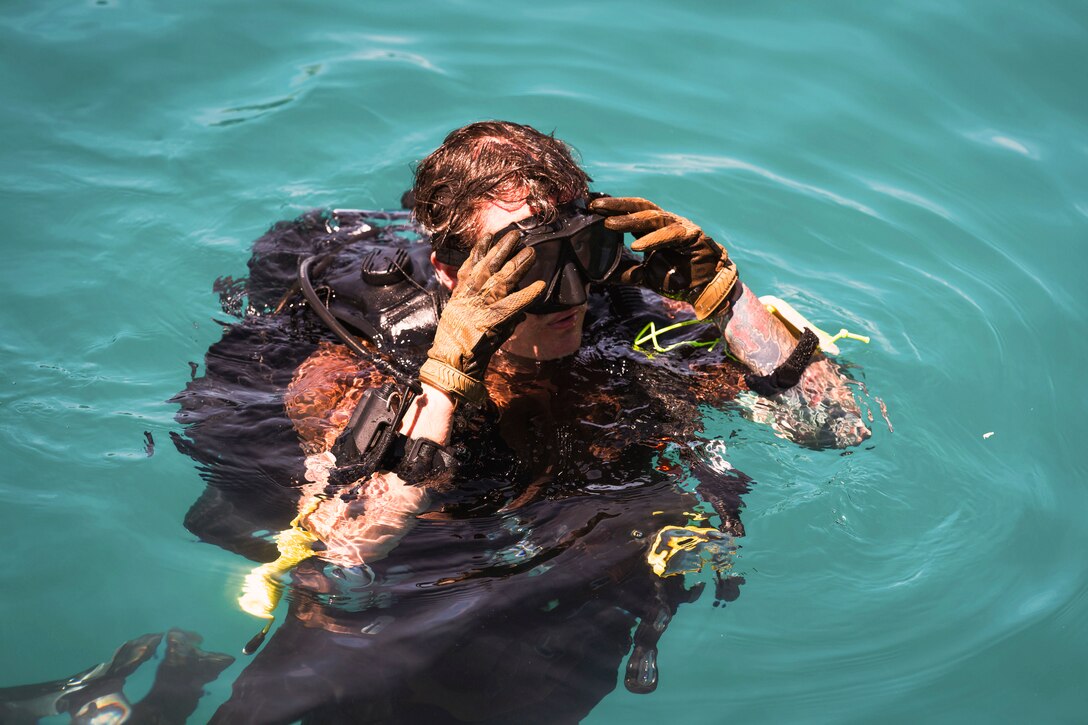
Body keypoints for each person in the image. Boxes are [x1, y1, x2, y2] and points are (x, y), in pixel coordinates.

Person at [174, 120, 871, 722]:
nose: (567, 290)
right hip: (417, 574)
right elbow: (344, 551)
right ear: (452, 272)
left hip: (562, 573)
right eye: (528, 264)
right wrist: (444, 386)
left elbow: (837, 430)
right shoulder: (359, 369)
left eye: (580, 252)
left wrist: (730, 299)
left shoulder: (630, 321)